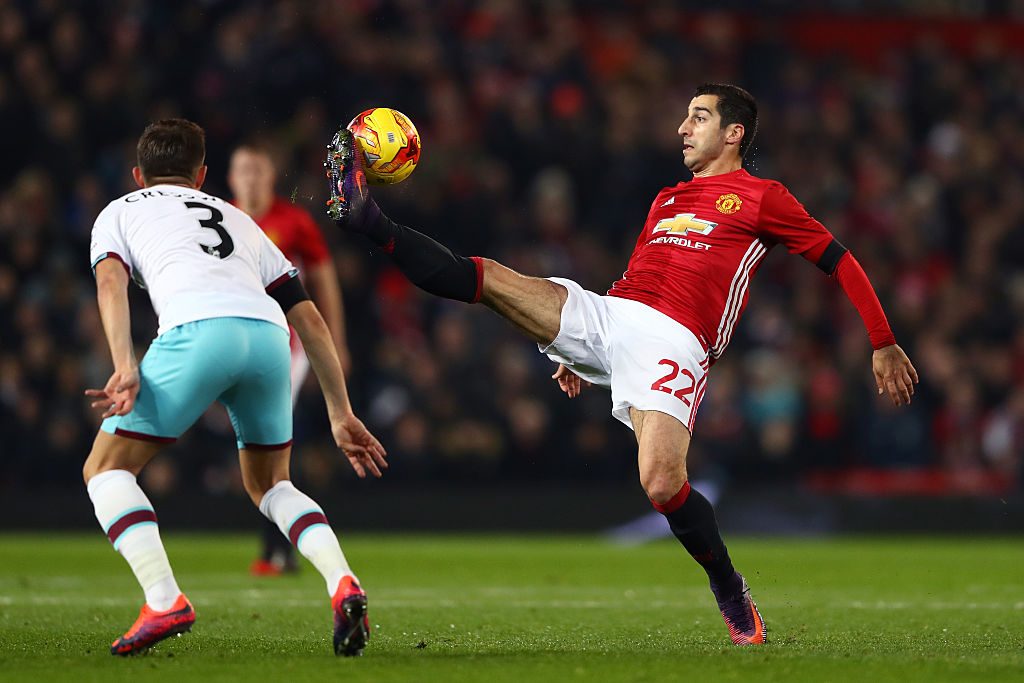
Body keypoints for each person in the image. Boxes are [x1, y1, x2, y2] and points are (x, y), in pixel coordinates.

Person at [327, 83, 919, 646]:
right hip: (611, 314)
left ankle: (728, 587)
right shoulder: (667, 197)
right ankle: (370, 222)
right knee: (488, 279)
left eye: (700, 117)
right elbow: (637, 276)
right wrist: (582, 354)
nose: (684, 127)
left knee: (661, 482)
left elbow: (840, 259)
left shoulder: (766, 198)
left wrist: (882, 339)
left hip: (676, 338)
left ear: (735, 133)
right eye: (686, 116)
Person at [83, 119, 387, 657]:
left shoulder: (120, 211)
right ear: (201, 176)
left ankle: (163, 599)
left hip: (197, 332)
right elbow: (310, 319)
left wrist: (125, 363)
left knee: (106, 469)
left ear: (137, 175)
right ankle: (343, 581)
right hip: (270, 339)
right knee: (272, 485)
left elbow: (110, 284)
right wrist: (341, 412)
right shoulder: (239, 218)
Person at [228, 141, 351, 577]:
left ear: (271, 176)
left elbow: (324, 280)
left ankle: (276, 550)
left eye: (259, 170)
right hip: (233, 342)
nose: (252, 178)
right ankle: (279, 545)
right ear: (231, 177)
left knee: (277, 436)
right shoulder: (223, 217)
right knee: (260, 439)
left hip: (287, 347)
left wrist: (335, 344)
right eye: (244, 170)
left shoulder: (294, 221)